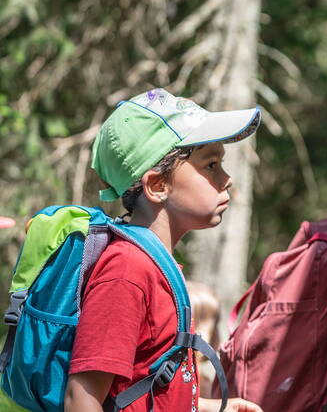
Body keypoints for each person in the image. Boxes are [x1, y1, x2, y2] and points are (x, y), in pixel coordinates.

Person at [64, 89, 263, 412]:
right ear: (157, 186)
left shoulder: (157, 265)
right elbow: (81, 399)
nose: (227, 179)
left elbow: (142, 388)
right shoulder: (127, 270)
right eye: (211, 165)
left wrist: (215, 408)